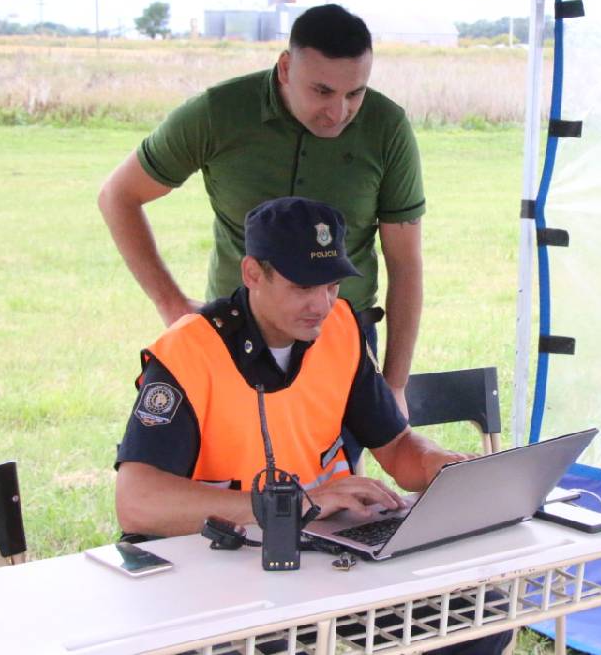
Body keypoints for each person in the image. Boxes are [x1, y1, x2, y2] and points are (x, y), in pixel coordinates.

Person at [114, 197, 508, 655]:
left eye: (333, 285)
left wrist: (439, 465)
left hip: (321, 561)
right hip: (208, 572)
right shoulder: (188, 352)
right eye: (303, 287)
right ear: (252, 274)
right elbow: (138, 504)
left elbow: (397, 447)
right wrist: (289, 505)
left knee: (476, 622)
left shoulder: (340, 330)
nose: (321, 305)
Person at [98, 4, 424, 418]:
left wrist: (394, 385)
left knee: (338, 476)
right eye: (322, 91)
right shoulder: (219, 113)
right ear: (285, 68)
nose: (338, 112)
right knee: (238, 476)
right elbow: (118, 196)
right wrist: (173, 306)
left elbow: (406, 263)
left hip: (341, 339)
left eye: (354, 93)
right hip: (236, 337)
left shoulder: (387, 126)